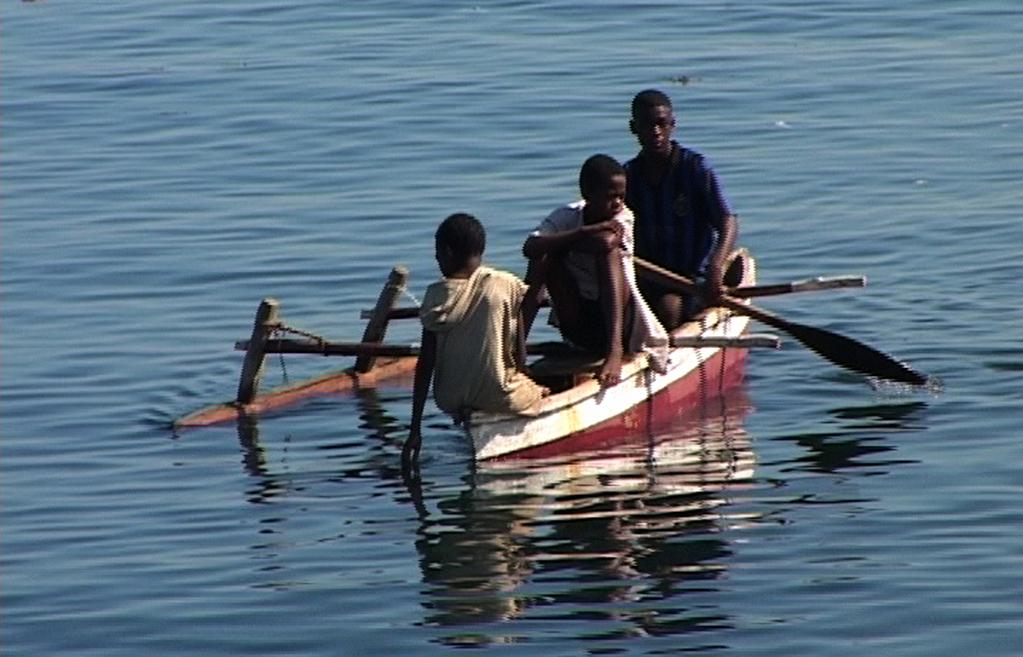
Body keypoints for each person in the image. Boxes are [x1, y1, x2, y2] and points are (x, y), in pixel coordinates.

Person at [402, 213, 547, 470]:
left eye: (437, 254)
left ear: (446, 252)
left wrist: (415, 430)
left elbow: (426, 364)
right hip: (499, 395)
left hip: (451, 399)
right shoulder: (506, 284)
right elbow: (518, 350)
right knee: (538, 390)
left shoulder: (435, 296)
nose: (436, 260)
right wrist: (525, 377)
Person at [522, 154, 667, 388]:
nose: (618, 203)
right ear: (587, 194)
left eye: (621, 196)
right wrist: (582, 233)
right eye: (610, 197)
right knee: (543, 259)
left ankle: (614, 352)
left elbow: (604, 244)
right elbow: (530, 247)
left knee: (607, 255)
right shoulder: (567, 216)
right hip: (578, 322)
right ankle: (516, 349)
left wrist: (561, 243)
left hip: (618, 324)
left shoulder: (623, 217)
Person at [625, 89, 739, 331]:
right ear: (634, 128)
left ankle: (722, 278)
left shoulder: (695, 168)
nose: (655, 132)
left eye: (661, 124)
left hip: (692, 280)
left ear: (672, 125)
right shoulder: (628, 177)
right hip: (647, 278)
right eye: (647, 125)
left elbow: (727, 220)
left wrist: (716, 266)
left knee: (668, 310)